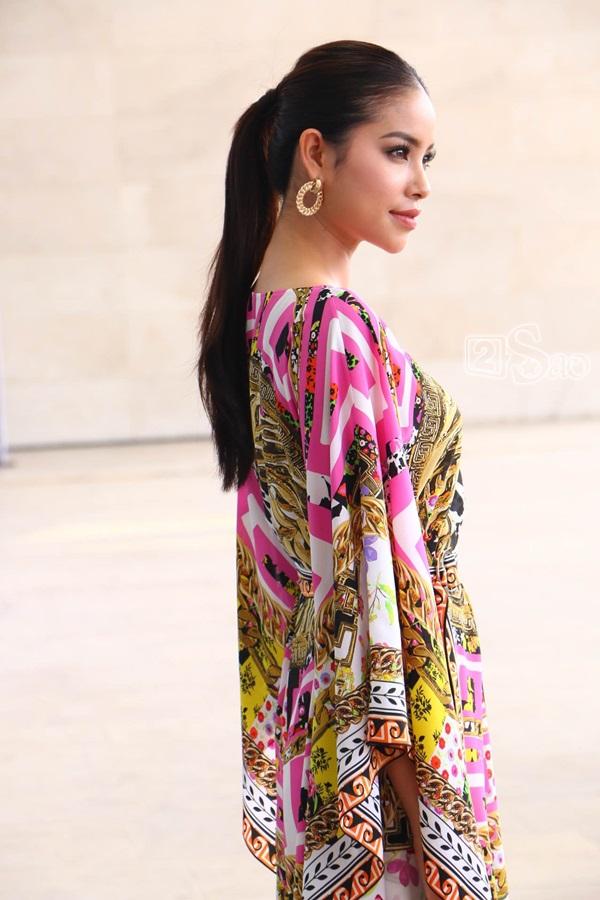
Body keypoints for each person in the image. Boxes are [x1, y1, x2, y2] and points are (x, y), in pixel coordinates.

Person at [197, 39, 509, 900]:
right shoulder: (333, 331)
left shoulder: (266, 310)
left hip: (326, 749)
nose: (420, 183)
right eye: (397, 151)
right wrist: (436, 832)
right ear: (316, 153)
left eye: (427, 158)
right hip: (391, 769)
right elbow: (372, 603)